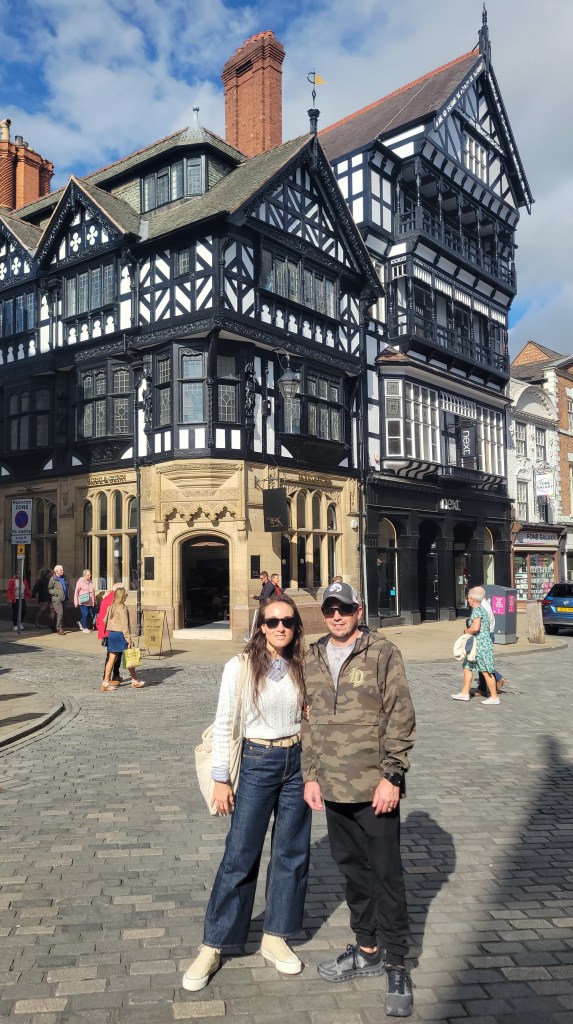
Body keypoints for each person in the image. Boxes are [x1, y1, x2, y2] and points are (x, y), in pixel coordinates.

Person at [182, 594, 310, 992]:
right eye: (272, 622)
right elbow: (224, 723)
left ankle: (276, 936)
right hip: (256, 762)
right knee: (240, 854)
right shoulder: (238, 666)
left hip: (297, 763)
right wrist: (222, 778)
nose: (280, 628)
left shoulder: (303, 665)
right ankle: (214, 943)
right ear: (260, 626)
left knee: (291, 853)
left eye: (287, 621)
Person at [302, 582, 416, 1019]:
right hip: (332, 788)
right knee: (352, 872)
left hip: (375, 788)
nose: (336, 616)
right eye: (330, 609)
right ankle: (367, 948)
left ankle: (397, 962)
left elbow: (401, 715)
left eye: (344, 609)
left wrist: (393, 775)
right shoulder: (311, 656)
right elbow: (307, 722)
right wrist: (310, 775)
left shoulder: (382, 652)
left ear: (358, 610)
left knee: (387, 875)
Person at [451, 586, 499, 705]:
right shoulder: (482, 609)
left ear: (472, 599)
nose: (468, 600)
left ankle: (494, 697)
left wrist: (466, 631)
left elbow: (476, 628)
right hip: (479, 643)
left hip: (480, 644)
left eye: (468, 598)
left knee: (485, 670)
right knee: (467, 666)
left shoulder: (477, 610)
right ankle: (464, 693)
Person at [99, 586, 144, 691]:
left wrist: (112, 624)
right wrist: (129, 639)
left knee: (111, 659)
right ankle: (134, 681)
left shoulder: (111, 606)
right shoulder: (122, 607)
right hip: (120, 635)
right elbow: (125, 626)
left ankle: (105, 682)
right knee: (129, 657)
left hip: (111, 634)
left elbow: (105, 620)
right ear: (122, 596)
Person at [474, 587, 507, 695]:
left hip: (486, 635)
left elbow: (479, 625)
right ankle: (482, 688)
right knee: (481, 662)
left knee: (483, 662)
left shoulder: (482, 606)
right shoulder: (484, 603)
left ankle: (498, 678)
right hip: (488, 634)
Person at [48, 565, 68, 636]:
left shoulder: (64, 578)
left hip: (64, 598)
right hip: (57, 599)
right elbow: (50, 589)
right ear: (56, 571)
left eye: (62, 570)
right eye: (61, 570)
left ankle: (55, 626)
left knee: (62, 614)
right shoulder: (53, 579)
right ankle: (59, 628)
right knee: (60, 613)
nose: (63, 571)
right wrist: (56, 593)